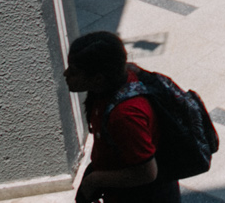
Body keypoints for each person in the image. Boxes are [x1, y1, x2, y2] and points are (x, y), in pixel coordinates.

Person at [66, 31, 179, 202]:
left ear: (97, 79)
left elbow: (147, 172)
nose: (65, 75)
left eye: (73, 72)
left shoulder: (124, 116)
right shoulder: (112, 83)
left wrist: (94, 180)